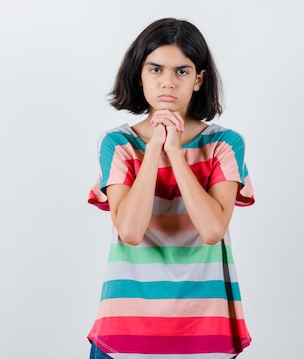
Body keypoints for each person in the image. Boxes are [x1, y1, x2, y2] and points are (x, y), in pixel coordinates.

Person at [87, 18, 255, 359]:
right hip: (126, 327)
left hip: (204, 327)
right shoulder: (118, 144)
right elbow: (130, 231)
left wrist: (176, 153)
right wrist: (153, 151)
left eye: (181, 71)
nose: (167, 82)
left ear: (198, 79)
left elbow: (212, 229)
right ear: (139, 75)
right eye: (155, 69)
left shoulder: (224, 143)